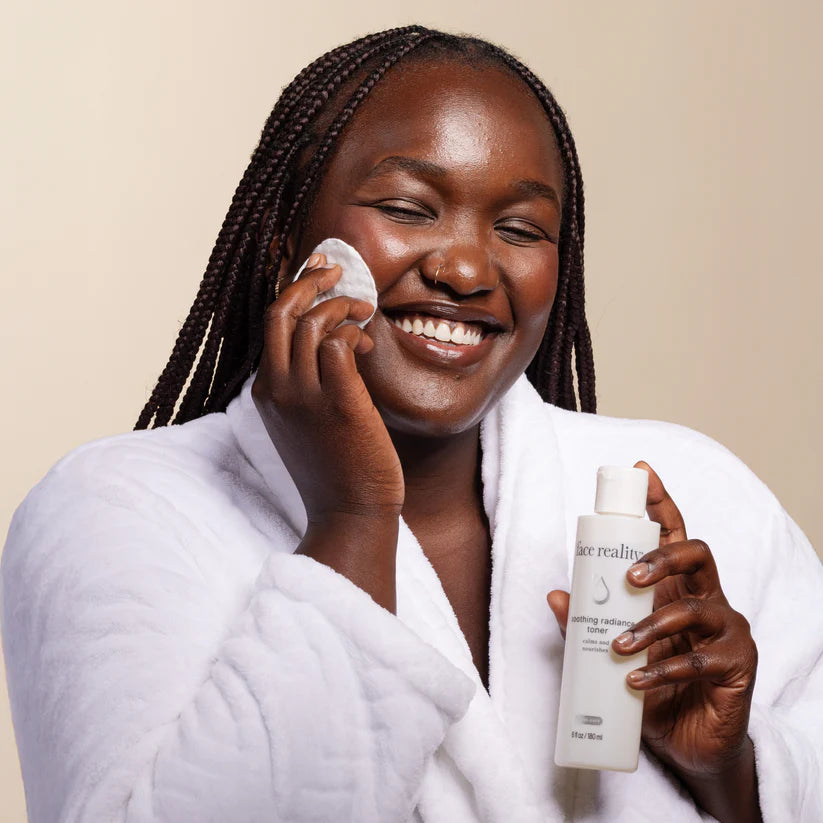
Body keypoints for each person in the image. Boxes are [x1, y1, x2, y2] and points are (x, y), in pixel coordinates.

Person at [2, 25, 821, 823]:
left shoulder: (699, 495)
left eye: (520, 229)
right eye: (407, 207)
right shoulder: (117, 513)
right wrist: (351, 520)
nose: (464, 268)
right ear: (283, 237)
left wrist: (735, 774)